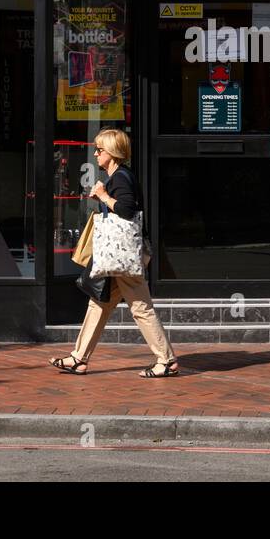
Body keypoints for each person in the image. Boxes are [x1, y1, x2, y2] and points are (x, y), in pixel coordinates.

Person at [50, 128, 180, 378]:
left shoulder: (120, 177)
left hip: (121, 256)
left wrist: (103, 196)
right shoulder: (118, 176)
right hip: (116, 256)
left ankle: (166, 360)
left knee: (141, 307)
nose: (96, 154)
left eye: (100, 150)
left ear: (112, 153)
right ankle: (78, 358)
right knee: (98, 303)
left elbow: (127, 210)